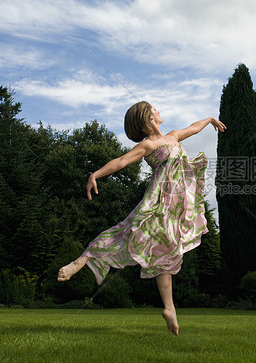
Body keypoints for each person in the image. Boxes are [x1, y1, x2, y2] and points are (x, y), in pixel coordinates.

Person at [57, 101, 226, 335]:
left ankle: (170, 309)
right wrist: (95, 174)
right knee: (124, 232)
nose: (158, 111)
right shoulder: (147, 145)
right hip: (157, 204)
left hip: (174, 208)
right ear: (148, 118)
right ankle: (82, 260)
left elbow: (194, 127)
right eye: (154, 109)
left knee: (166, 254)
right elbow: (121, 162)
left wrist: (209, 120)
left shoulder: (173, 136)